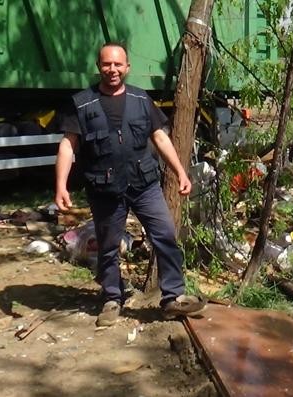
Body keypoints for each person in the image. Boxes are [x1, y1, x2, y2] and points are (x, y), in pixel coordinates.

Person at [54, 42, 204, 326]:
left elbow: (160, 138)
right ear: (99, 66)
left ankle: (173, 297)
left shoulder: (140, 99)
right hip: (105, 189)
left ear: (127, 67)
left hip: (143, 184)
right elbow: (67, 146)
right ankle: (112, 298)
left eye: (118, 64)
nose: (113, 70)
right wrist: (61, 185)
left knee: (165, 236)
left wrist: (181, 173)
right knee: (108, 246)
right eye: (107, 64)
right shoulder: (82, 103)